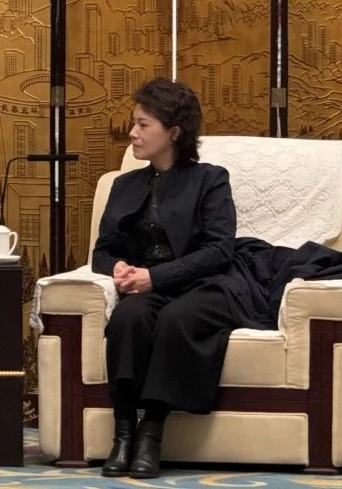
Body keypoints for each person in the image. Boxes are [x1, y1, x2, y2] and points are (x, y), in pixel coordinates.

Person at [91, 78, 239, 479]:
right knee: (128, 318)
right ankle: (124, 433)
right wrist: (117, 268)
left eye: (143, 125)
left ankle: (151, 434)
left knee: (176, 320)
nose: (132, 133)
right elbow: (102, 251)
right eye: (133, 123)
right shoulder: (123, 185)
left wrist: (156, 277)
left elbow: (219, 250)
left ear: (173, 132)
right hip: (145, 286)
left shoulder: (210, 179)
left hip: (203, 285)